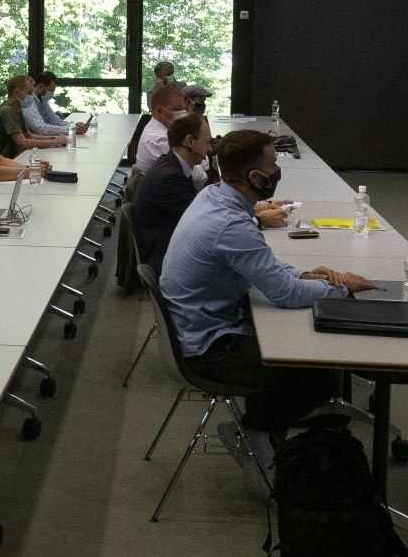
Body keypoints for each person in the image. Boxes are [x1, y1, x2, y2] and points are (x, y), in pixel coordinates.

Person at [158, 130, 375, 467]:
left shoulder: (215, 195)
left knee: (303, 344)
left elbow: (264, 265)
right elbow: (285, 294)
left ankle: (272, 429)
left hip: (201, 322)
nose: (277, 170)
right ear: (255, 177)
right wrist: (342, 287)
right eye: (272, 164)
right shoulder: (231, 224)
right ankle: (257, 436)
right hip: (209, 347)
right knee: (318, 372)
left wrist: (304, 274)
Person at [133, 112, 212, 274]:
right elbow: (203, 221)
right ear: (189, 141)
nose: (209, 149)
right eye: (206, 142)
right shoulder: (169, 178)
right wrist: (256, 218)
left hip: (169, 244)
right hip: (168, 260)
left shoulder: (172, 164)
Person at [0, 74, 68, 156]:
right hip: (2, 159)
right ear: (16, 93)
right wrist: (54, 142)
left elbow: (29, 135)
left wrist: (53, 138)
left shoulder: (17, 109)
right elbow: (24, 143)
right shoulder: (8, 111)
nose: (32, 96)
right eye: (29, 93)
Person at [133, 83, 185, 175]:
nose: (183, 114)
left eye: (184, 109)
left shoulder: (165, 129)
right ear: (160, 111)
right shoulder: (159, 139)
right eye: (178, 109)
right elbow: (197, 176)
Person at [25, 70, 88, 136]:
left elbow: (54, 119)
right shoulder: (28, 101)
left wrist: (73, 126)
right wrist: (71, 129)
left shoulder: (42, 99)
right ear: (41, 86)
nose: (51, 94)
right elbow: (40, 128)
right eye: (50, 91)